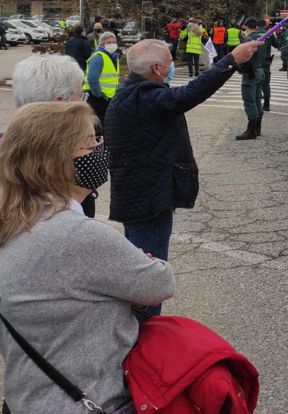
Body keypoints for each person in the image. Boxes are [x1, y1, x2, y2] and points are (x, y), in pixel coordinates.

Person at [0, 101, 176, 414]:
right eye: (91, 144)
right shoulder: (76, 234)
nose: (99, 150)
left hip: (25, 398)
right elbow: (159, 282)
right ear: (56, 162)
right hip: (91, 400)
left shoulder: (12, 222)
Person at [104, 38, 261, 315]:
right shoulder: (147, 98)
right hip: (148, 203)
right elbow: (190, 93)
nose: (171, 67)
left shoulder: (130, 94)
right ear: (156, 68)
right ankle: (145, 333)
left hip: (139, 198)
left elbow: (150, 141)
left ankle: (139, 328)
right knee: (149, 279)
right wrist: (231, 60)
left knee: (140, 271)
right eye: (168, 62)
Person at [12, 54, 107, 218]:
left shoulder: (9, 150)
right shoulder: (69, 162)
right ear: (60, 102)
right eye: (80, 95)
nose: (84, 104)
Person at [235, 18, 268, 140]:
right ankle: (257, 128)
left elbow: (242, 58)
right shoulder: (261, 38)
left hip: (250, 73)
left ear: (245, 26)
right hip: (260, 70)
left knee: (249, 101)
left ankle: (251, 130)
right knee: (257, 99)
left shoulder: (248, 40)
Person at [84, 30, 121, 123]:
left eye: (114, 42)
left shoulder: (114, 57)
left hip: (109, 97)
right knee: (98, 124)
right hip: (97, 98)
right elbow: (92, 78)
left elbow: (114, 78)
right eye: (109, 42)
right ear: (102, 44)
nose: (112, 44)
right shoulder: (98, 57)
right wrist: (99, 96)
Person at [259, 19, 280, 111]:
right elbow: (277, 45)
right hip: (266, 62)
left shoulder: (252, 34)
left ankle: (257, 101)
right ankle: (266, 104)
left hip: (255, 63)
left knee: (255, 82)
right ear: (265, 25)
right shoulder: (269, 34)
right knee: (266, 83)